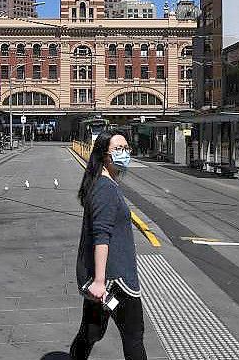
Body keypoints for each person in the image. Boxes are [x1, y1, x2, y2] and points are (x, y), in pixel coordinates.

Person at [71, 131, 147, 360]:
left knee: (91, 332)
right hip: (116, 282)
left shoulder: (104, 183)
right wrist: (100, 281)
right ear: (105, 155)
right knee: (134, 335)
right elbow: (101, 236)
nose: (125, 154)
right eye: (119, 149)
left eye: (127, 148)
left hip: (106, 282)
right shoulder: (105, 188)